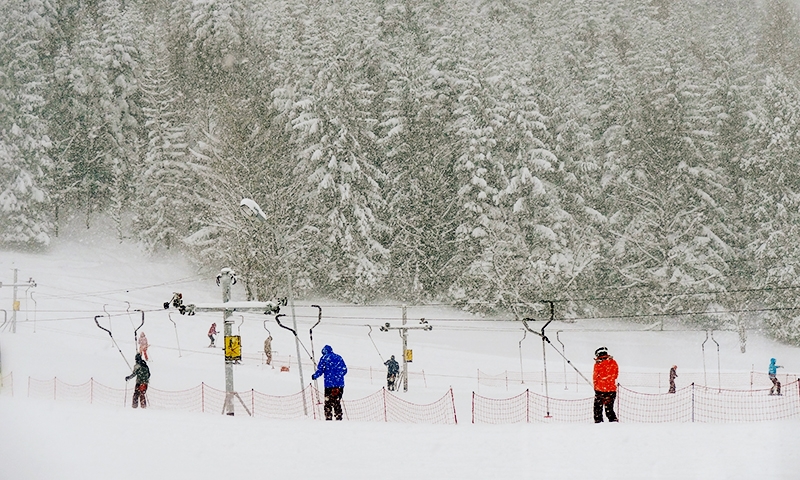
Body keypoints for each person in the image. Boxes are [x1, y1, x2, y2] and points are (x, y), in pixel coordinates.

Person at [311, 345, 348, 420]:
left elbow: (320, 370)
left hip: (329, 385)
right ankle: (338, 416)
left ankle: (328, 417)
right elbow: (345, 370)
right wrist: (338, 376)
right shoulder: (339, 357)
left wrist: (315, 376)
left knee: (328, 402)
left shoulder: (324, 358)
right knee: (337, 401)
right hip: (340, 385)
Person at [593, 346, 619, 423]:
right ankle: (614, 422)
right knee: (609, 409)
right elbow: (615, 375)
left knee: (598, 410)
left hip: (600, 390)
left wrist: (596, 386)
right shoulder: (613, 362)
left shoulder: (598, 364)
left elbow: (595, 377)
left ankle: (598, 423)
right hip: (611, 390)